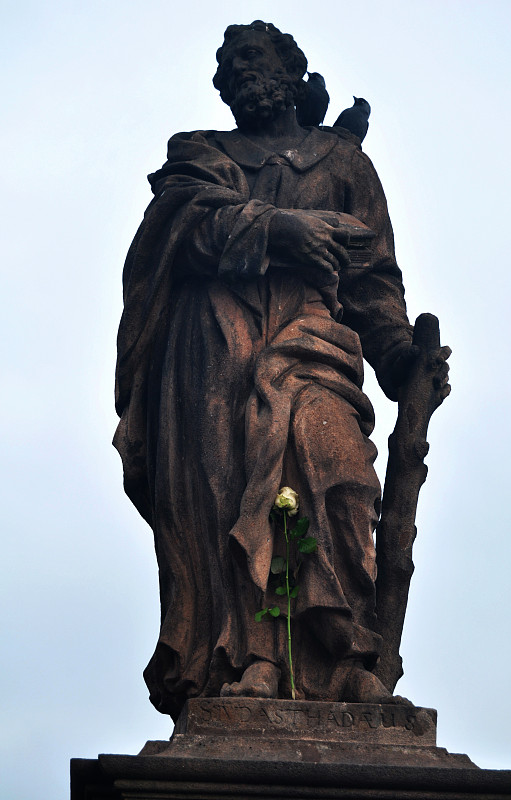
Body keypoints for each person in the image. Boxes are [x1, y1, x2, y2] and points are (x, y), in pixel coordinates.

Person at [114, 20, 422, 722]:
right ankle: (248, 658)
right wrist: (278, 231)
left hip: (314, 335)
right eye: (228, 64)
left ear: (290, 70)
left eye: (254, 57)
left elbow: (373, 278)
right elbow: (178, 226)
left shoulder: (342, 163)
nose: (239, 70)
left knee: (338, 475)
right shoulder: (201, 154)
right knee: (231, 500)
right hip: (218, 347)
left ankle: (344, 655)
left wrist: (400, 356)